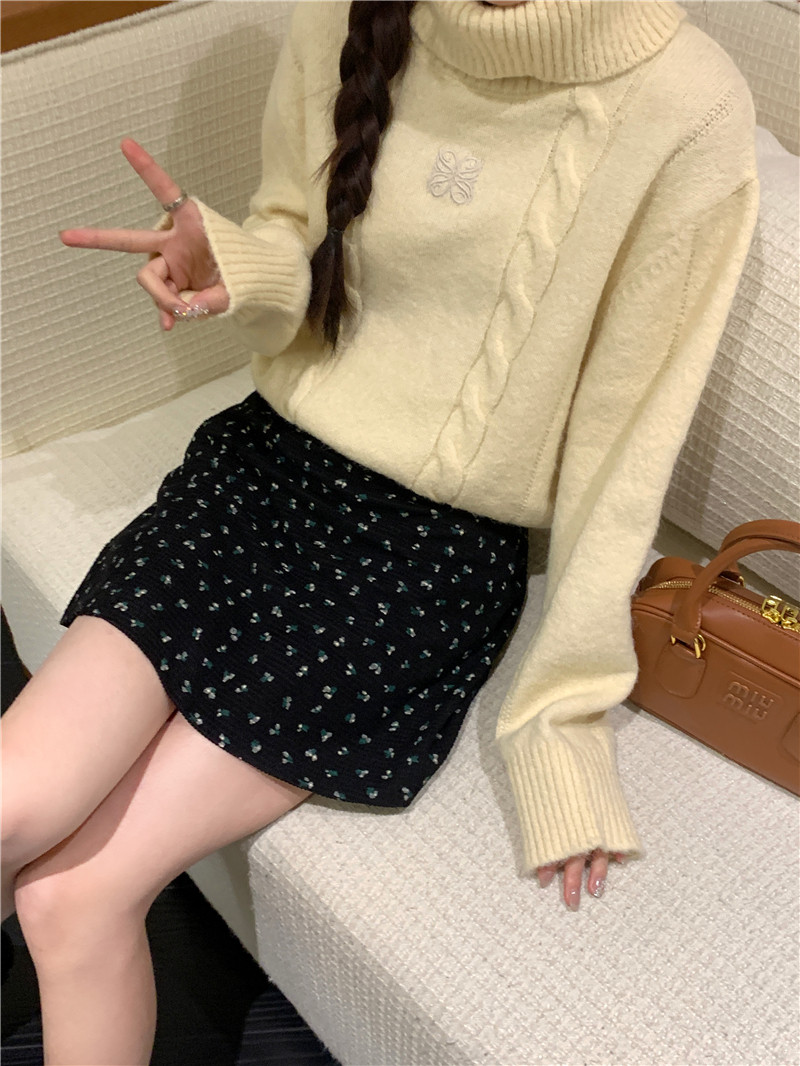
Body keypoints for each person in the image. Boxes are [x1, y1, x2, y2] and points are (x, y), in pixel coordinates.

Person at [1, 0, 759, 1062]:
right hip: (261, 474)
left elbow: (625, 446)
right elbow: (295, 242)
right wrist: (242, 264)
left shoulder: (686, 105)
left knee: (69, 897)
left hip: (421, 559)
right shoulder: (349, 10)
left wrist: (562, 720)